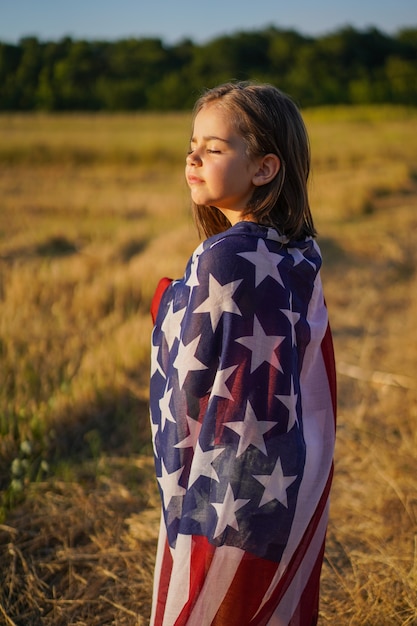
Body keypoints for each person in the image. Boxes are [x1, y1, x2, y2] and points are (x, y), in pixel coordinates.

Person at [149, 81, 336, 626]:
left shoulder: (227, 258)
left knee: (216, 592)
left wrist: (164, 301)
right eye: (192, 144)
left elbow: (192, 361)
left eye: (214, 147)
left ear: (264, 168)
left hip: (227, 471)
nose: (193, 157)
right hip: (279, 462)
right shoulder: (295, 252)